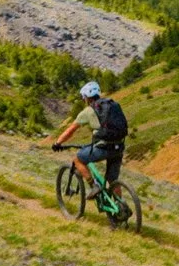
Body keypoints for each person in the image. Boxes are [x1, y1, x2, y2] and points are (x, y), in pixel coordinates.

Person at [49, 80, 129, 214]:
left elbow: (70, 130)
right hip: (119, 147)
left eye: (84, 97)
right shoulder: (111, 105)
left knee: (78, 159)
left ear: (86, 97)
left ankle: (93, 186)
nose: (84, 100)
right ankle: (120, 210)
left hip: (103, 148)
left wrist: (57, 143)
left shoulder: (88, 111)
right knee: (112, 180)